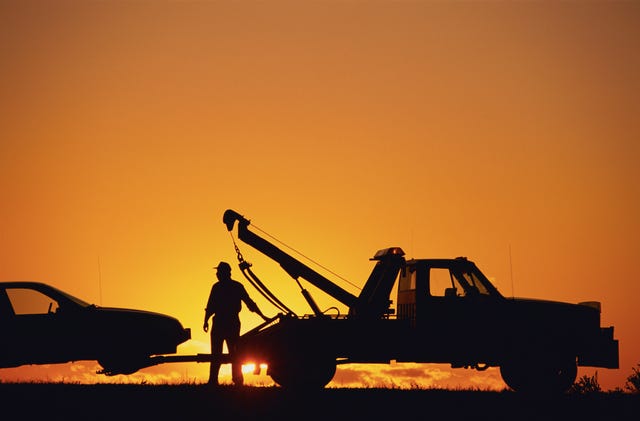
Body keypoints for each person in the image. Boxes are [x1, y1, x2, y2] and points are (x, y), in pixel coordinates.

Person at [203, 261, 268, 386]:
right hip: (226, 322)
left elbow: (249, 302)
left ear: (226, 273)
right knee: (226, 353)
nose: (217, 274)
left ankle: (230, 380)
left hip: (226, 322)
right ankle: (222, 380)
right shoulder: (228, 286)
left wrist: (262, 315)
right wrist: (205, 320)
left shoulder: (225, 287)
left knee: (229, 353)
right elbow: (211, 306)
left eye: (219, 272)